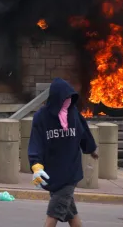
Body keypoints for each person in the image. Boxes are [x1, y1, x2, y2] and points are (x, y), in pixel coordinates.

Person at [28, 77, 98, 227]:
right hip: (52, 172)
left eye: (69, 98)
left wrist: (91, 148)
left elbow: (83, 132)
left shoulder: (72, 113)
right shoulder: (41, 117)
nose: (67, 102)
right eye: (64, 99)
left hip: (70, 173)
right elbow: (36, 142)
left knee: (53, 213)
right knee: (71, 213)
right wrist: (36, 166)